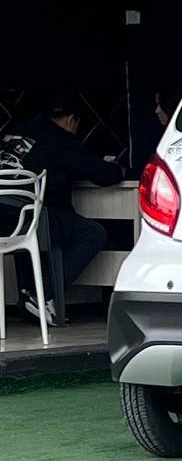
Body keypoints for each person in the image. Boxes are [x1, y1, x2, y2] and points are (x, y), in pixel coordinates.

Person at [0, 92, 123, 327]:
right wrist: (118, 168)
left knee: (36, 232)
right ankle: (41, 293)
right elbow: (104, 175)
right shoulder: (61, 140)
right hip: (28, 218)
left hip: (5, 215)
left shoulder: (17, 129)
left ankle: (29, 297)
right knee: (92, 233)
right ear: (71, 120)